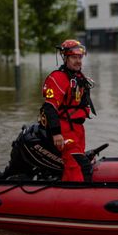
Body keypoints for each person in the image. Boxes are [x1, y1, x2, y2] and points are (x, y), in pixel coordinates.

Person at [41, 39, 96, 182]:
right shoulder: (58, 78)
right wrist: (56, 133)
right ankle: (81, 199)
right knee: (80, 167)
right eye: (74, 57)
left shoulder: (79, 78)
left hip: (77, 129)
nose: (78, 61)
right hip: (64, 130)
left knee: (73, 166)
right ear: (65, 58)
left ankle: (64, 194)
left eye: (79, 57)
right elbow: (49, 107)